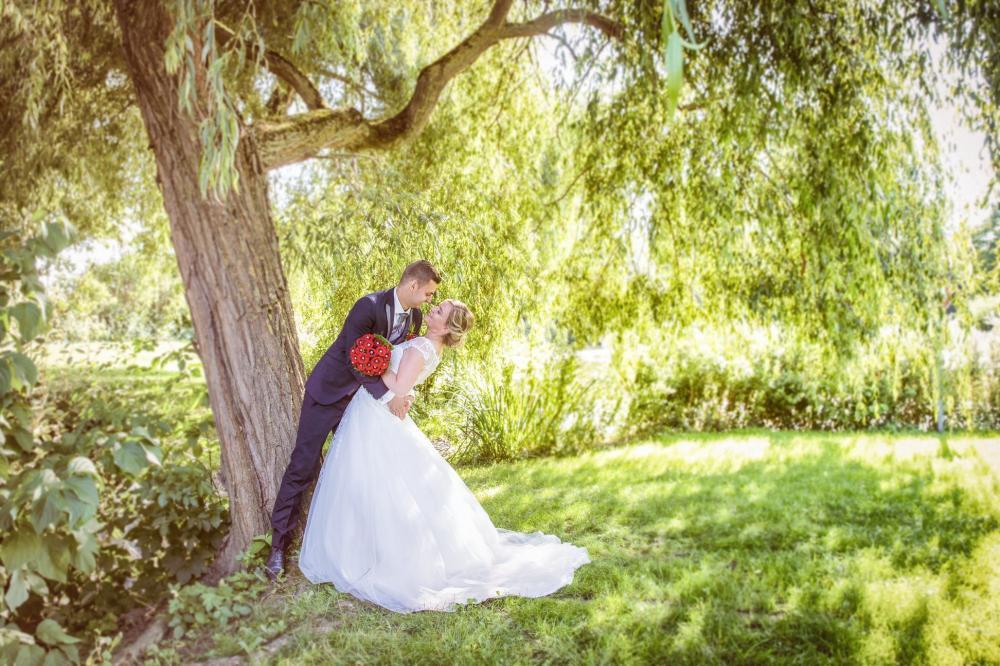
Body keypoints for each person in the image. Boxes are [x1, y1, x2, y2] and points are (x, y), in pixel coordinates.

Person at [298, 299, 590, 613]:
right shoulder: (429, 348)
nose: (433, 310)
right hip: (376, 413)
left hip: (376, 415)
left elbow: (398, 385)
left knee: (373, 481)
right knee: (373, 481)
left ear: (445, 326)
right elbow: (405, 386)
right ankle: (362, 548)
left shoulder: (421, 346)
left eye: (439, 311)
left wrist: (374, 362)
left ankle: (371, 554)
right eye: (436, 306)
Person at [265, 260, 441, 579]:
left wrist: (404, 391)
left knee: (362, 471)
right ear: (413, 286)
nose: (430, 300)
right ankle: (278, 546)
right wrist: (389, 397)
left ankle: (362, 547)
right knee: (303, 465)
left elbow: (397, 362)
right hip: (329, 393)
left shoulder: (414, 316)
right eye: (428, 293)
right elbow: (354, 359)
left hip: (361, 404)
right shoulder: (369, 306)